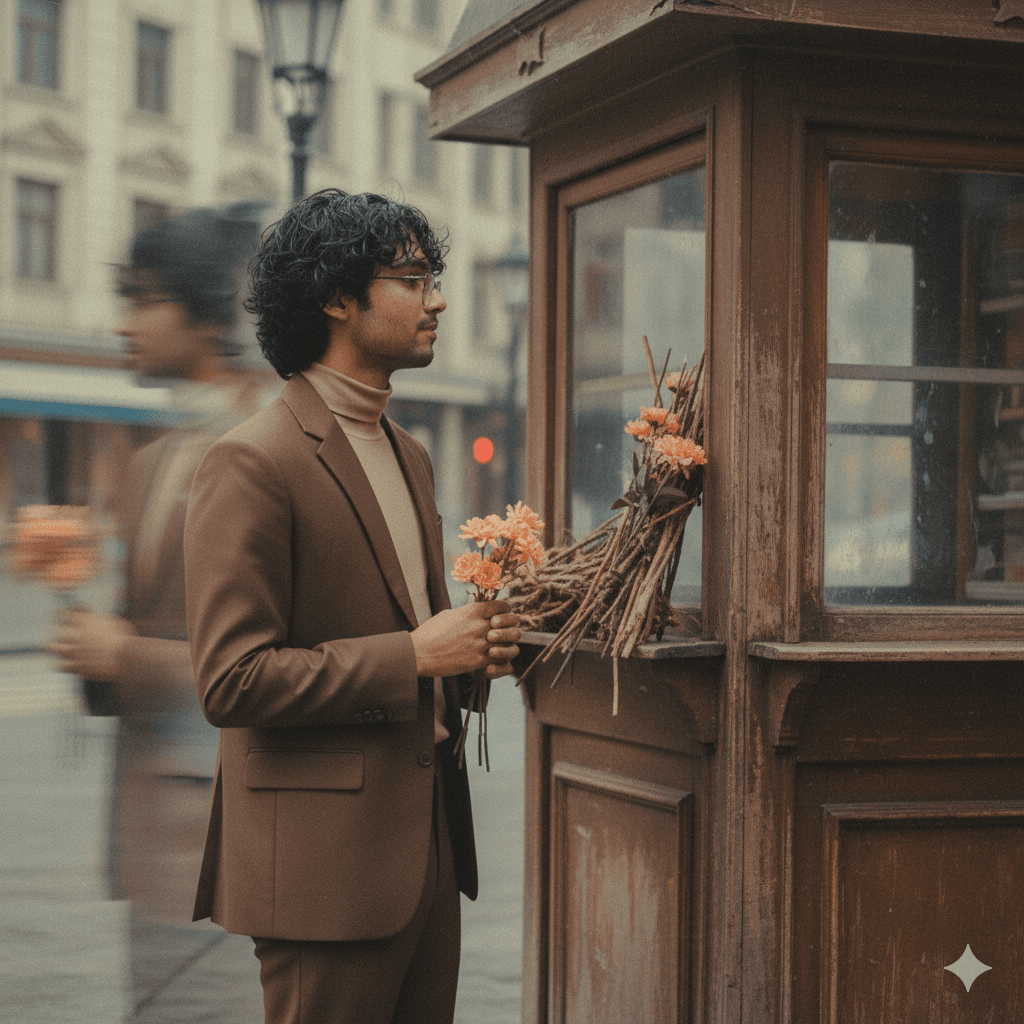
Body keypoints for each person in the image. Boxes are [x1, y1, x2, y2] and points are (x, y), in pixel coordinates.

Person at [182, 189, 522, 1024]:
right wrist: (416, 656)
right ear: (338, 297)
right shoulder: (250, 462)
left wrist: (483, 648)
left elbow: (423, 636)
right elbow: (231, 681)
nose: (437, 299)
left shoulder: (410, 453)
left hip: (427, 853)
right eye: (413, 278)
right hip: (321, 877)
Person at [50, 206, 267, 1018]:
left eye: (143, 300)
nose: (123, 323)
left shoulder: (273, 447)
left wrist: (123, 658)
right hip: (151, 856)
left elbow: (287, 664)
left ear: (204, 312)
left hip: (235, 852)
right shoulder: (144, 463)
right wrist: (89, 645)